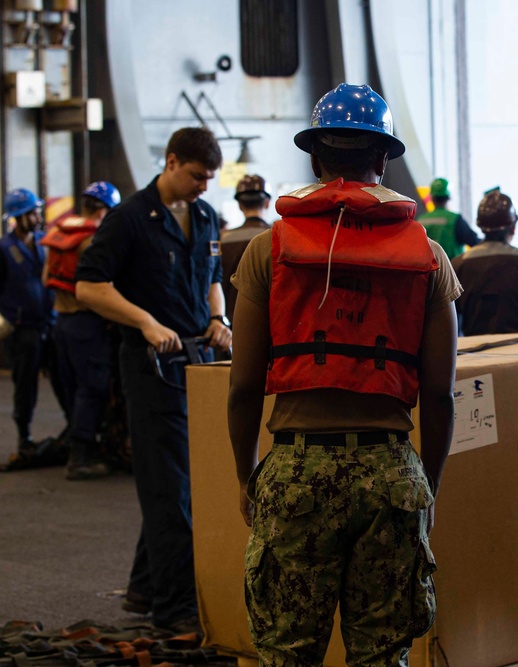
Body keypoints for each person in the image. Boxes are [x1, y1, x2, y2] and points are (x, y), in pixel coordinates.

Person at [228, 83, 459, 666]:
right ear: (383, 159)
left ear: (315, 158)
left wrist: (245, 475)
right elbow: (438, 392)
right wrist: (427, 483)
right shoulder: (429, 255)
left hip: (295, 469)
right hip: (390, 473)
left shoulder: (268, 248)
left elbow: (243, 386)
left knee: (287, 654)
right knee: (383, 656)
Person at [75, 127, 231, 633]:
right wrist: (144, 320)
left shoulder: (206, 217)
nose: (203, 186)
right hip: (149, 368)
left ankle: (145, 586)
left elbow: (211, 280)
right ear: (170, 162)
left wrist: (218, 320)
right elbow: (88, 287)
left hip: (198, 363)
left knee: (182, 484)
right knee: (171, 492)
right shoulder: (128, 220)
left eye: (209, 178)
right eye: (196, 176)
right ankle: (176, 610)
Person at [41, 181, 121, 480]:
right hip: (87, 323)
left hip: (60, 321)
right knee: (94, 387)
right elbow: (103, 284)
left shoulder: (61, 234)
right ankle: (81, 456)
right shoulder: (94, 239)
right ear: (103, 210)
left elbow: (46, 277)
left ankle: (77, 442)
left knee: (73, 387)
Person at [451, 188, 518, 338]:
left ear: (481, 226)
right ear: (513, 228)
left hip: (479, 354)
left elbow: (450, 316)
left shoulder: (458, 266)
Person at [0, 188, 60, 457]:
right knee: (26, 385)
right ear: (18, 217)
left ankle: (73, 432)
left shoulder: (45, 242)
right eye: (32, 213)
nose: (37, 217)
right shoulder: (3, 250)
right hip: (22, 329)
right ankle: (24, 437)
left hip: (50, 323)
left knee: (63, 378)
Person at [221, 173, 271, 323]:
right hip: (270, 321)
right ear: (267, 203)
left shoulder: (223, 239)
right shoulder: (278, 236)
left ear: (240, 205)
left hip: (231, 323)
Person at [417, 177, 480, 259]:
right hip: (452, 269)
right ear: (449, 197)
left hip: (427, 270)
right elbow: (475, 242)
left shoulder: (421, 220)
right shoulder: (455, 219)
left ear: (432, 198)